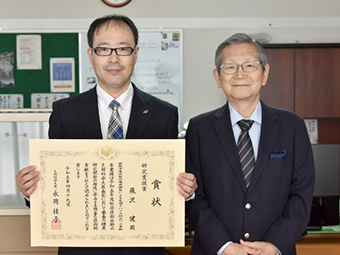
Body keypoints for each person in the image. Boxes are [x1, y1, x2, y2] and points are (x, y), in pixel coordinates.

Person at [15, 14, 197, 255]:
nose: (113, 58)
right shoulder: (65, 112)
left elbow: (168, 185)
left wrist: (186, 191)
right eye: (103, 49)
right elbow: (56, 182)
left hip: (142, 249)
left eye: (123, 49)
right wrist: (31, 190)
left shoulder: (164, 114)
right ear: (91, 55)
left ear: (136, 53)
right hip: (81, 249)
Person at [185, 33, 315, 255]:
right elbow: (194, 198)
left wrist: (274, 245)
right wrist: (224, 246)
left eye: (249, 65)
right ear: (218, 77)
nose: (240, 74)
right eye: (230, 67)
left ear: (265, 73)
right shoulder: (199, 129)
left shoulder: (292, 126)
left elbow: (301, 194)